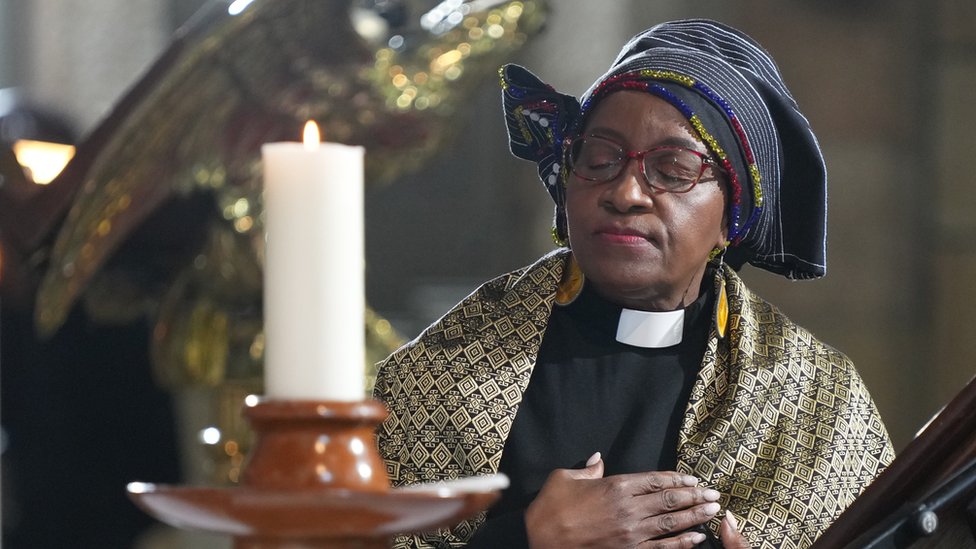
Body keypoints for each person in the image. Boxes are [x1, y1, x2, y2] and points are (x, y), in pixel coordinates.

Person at [373, 19, 894, 549]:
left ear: (731, 219)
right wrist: (530, 539)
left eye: (673, 169)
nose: (625, 193)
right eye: (600, 160)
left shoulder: (815, 399)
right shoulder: (448, 371)